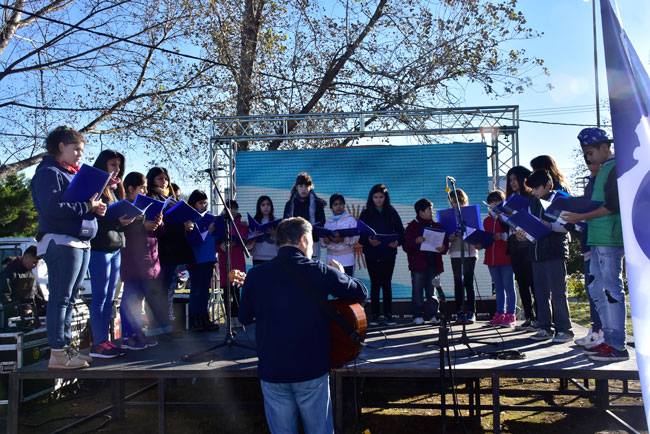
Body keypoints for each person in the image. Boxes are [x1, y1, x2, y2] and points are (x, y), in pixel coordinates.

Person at [238, 217, 368, 434]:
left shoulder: (256, 275)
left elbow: (244, 317)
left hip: (272, 367)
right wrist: (341, 274)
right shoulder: (318, 270)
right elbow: (360, 292)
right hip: (311, 366)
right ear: (304, 240)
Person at [31, 126, 106, 369]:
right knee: (61, 298)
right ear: (61, 146)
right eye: (76, 149)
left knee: (71, 298)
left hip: (80, 241)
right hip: (61, 242)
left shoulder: (70, 173)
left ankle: (66, 349)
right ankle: (57, 353)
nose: (80, 154)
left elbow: (78, 205)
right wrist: (87, 206)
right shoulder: (48, 172)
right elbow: (52, 208)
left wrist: (95, 208)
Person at [563, 128, 628, 361]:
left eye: (591, 153)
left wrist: (580, 216)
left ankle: (617, 345)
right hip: (597, 238)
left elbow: (611, 206)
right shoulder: (601, 171)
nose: (588, 158)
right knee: (597, 289)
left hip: (610, 238)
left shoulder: (614, 168)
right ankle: (606, 339)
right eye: (585, 154)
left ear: (605, 147)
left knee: (612, 290)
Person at [88, 150, 132, 358]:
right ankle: (98, 343)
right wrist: (116, 220)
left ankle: (106, 340)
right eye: (113, 164)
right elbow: (92, 217)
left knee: (109, 298)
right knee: (100, 296)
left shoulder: (114, 189)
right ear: (103, 165)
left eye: (119, 165)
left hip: (115, 246)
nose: (117, 169)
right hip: (99, 247)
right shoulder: (95, 187)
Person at [524, 170, 573, 343]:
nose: (534, 192)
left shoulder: (559, 199)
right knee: (541, 293)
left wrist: (550, 226)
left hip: (554, 251)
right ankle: (544, 327)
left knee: (558, 292)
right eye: (532, 189)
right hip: (536, 252)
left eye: (537, 188)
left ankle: (564, 329)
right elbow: (529, 224)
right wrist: (523, 232)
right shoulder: (532, 203)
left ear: (548, 185)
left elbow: (567, 226)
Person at [120, 172, 163, 350]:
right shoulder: (124, 207)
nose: (145, 191)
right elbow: (123, 230)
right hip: (133, 260)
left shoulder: (146, 206)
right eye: (142, 188)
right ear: (131, 189)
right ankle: (129, 336)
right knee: (131, 299)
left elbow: (156, 231)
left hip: (149, 259)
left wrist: (159, 222)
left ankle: (138, 333)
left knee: (140, 300)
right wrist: (142, 225)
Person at [146, 167, 192, 334]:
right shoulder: (151, 197)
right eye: (159, 178)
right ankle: (158, 325)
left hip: (173, 249)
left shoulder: (171, 198)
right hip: (160, 248)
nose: (164, 181)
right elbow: (157, 223)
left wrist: (187, 224)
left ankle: (166, 323)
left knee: (169, 287)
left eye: (166, 178)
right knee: (160, 288)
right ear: (152, 180)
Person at [358, 184, 404, 326]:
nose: (378, 200)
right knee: (375, 283)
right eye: (375, 197)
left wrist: (397, 242)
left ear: (386, 197)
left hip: (388, 253)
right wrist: (368, 241)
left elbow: (401, 232)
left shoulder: (391, 211)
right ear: (371, 198)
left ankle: (389, 315)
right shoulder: (366, 213)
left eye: (381, 197)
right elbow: (360, 235)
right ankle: (375, 315)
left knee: (386, 283)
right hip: (372, 253)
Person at [573, 157, 604, 350]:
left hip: (600, 242)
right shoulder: (591, 182)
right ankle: (595, 330)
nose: (590, 164)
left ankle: (602, 332)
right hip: (588, 241)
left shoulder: (604, 181)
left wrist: (582, 216)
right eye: (587, 160)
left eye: (592, 158)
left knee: (601, 290)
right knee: (592, 290)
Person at [402, 198, 447, 325]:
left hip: (434, 264)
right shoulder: (412, 227)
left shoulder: (437, 226)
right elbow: (406, 246)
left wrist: (443, 248)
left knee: (432, 291)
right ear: (420, 212)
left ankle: (433, 314)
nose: (432, 212)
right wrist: (415, 241)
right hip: (418, 265)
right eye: (429, 210)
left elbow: (445, 243)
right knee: (417, 291)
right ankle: (417, 315)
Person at [505, 166, 537, 329]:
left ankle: (540, 317)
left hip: (528, 242)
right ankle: (529, 316)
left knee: (533, 281)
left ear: (524, 179)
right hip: (514, 241)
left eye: (515, 179)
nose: (512, 183)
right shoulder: (509, 199)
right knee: (522, 282)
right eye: (510, 180)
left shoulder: (531, 197)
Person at [185, 190, 219, 331]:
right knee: (197, 291)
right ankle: (196, 320)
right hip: (196, 259)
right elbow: (193, 240)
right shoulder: (190, 219)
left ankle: (205, 318)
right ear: (193, 204)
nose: (203, 205)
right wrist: (207, 231)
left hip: (209, 258)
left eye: (205, 203)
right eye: (200, 203)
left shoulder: (209, 217)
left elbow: (216, 237)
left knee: (205, 291)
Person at [481, 190, 516, 328]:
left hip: (506, 258)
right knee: (498, 288)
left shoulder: (507, 218)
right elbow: (485, 238)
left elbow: (513, 235)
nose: (494, 204)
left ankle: (511, 314)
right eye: (491, 202)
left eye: (497, 201)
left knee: (509, 287)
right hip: (491, 258)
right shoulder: (486, 220)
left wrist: (501, 236)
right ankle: (500, 313)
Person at [447, 188, 479, 325]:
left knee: (468, 282)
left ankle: (471, 312)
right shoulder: (449, 215)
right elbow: (446, 236)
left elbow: (478, 232)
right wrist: (452, 235)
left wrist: (468, 231)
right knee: (458, 282)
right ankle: (459, 311)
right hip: (455, 251)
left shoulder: (470, 213)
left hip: (469, 251)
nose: (455, 204)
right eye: (453, 202)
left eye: (458, 201)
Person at [217, 199, 248, 321]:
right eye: (230, 208)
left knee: (236, 290)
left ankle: (238, 318)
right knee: (226, 291)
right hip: (225, 261)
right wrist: (220, 246)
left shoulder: (241, 224)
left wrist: (236, 242)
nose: (232, 210)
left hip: (237, 261)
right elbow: (215, 241)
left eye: (235, 208)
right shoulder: (220, 223)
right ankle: (229, 319)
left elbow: (245, 239)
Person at [283, 172, 326, 258]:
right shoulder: (290, 204)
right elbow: (285, 223)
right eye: (301, 186)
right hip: (295, 242)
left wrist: (311, 228)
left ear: (310, 187)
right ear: (296, 187)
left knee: (313, 265)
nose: (304, 189)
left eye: (306, 186)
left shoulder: (317, 203)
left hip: (313, 241)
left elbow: (322, 221)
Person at [0, 246, 41, 328]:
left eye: (37, 263)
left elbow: (34, 293)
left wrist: (44, 304)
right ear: (26, 257)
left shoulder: (30, 273)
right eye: (34, 262)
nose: (35, 265)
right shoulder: (10, 271)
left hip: (28, 315)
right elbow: (5, 295)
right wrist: (17, 309)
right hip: (13, 318)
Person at [321, 194, 359, 276]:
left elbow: (356, 238)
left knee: (347, 283)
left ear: (344, 205)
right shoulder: (328, 222)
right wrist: (325, 241)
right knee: (332, 283)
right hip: (331, 260)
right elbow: (322, 241)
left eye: (341, 204)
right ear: (331, 207)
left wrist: (343, 239)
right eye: (335, 204)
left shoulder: (350, 220)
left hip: (347, 260)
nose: (338, 206)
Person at [249, 195, 279, 265]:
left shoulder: (277, 221)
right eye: (263, 205)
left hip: (273, 257)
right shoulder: (254, 221)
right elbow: (248, 242)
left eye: (268, 204)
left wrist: (275, 234)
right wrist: (253, 236)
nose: (266, 207)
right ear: (259, 207)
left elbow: (283, 241)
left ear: (271, 206)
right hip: (257, 257)